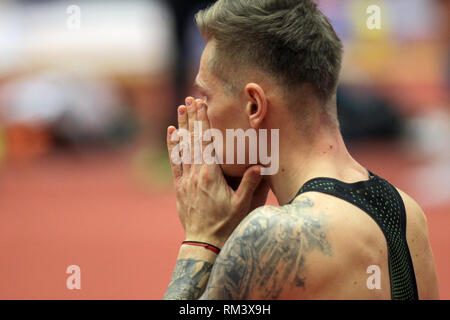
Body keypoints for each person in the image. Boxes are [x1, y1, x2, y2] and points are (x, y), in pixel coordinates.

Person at [163, 0, 439, 300]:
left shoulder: (271, 235)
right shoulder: (408, 213)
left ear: (254, 105)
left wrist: (202, 239)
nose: (197, 114)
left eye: (206, 95)